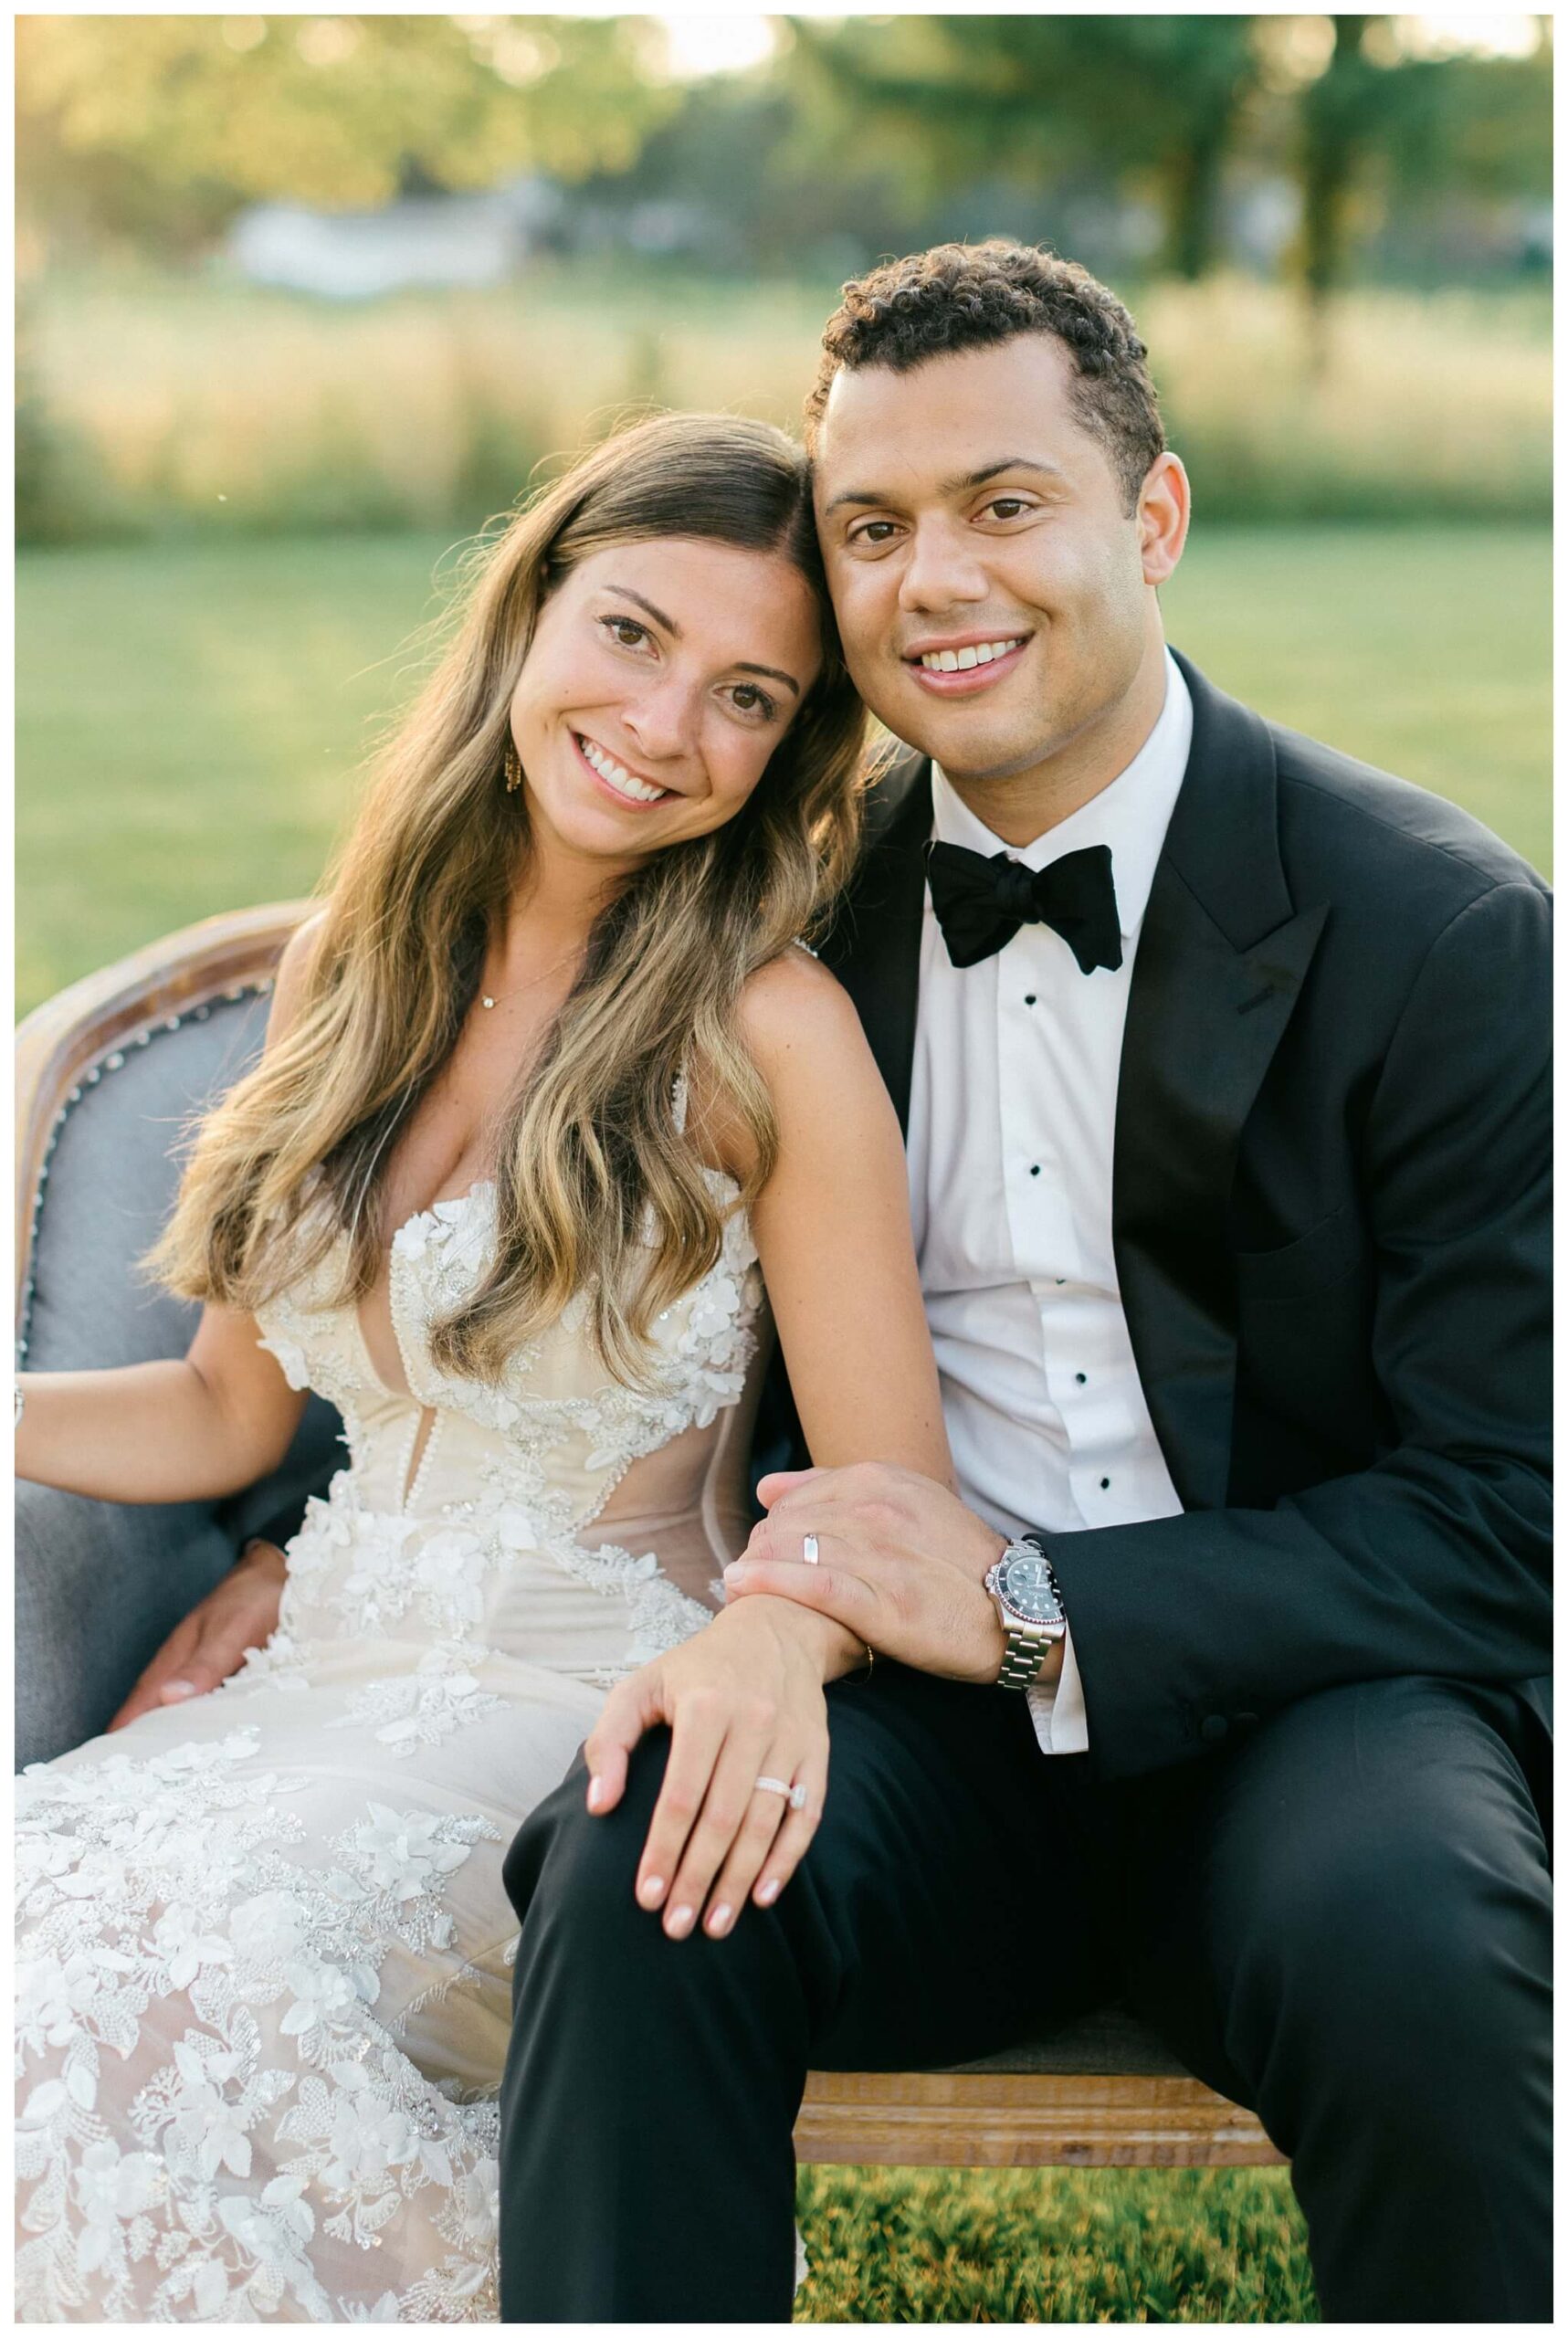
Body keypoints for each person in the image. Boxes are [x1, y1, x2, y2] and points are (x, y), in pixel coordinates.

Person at [93, 241, 1552, 2324]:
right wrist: (268, 1538)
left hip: (1302, 1703)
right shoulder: (764, 904)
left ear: (1151, 517)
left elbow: (1514, 1512)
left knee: (1417, 1941)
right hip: (896, 1716)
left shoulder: (1442, 929)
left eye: (1004, 504)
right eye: (873, 527)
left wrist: (1038, 1606)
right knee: (637, 1863)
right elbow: (498, 1208)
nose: (933, 577)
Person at [14, 412, 952, 2321]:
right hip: (313, 1684)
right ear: (527, 613)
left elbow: (893, 1498)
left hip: (571, 1706)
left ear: (791, 748)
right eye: (628, 633)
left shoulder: (761, 1026)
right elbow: (222, 1412)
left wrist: (776, 1640)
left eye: (747, 694)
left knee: (169, 1974)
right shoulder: (355, 962)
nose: (666, 722)